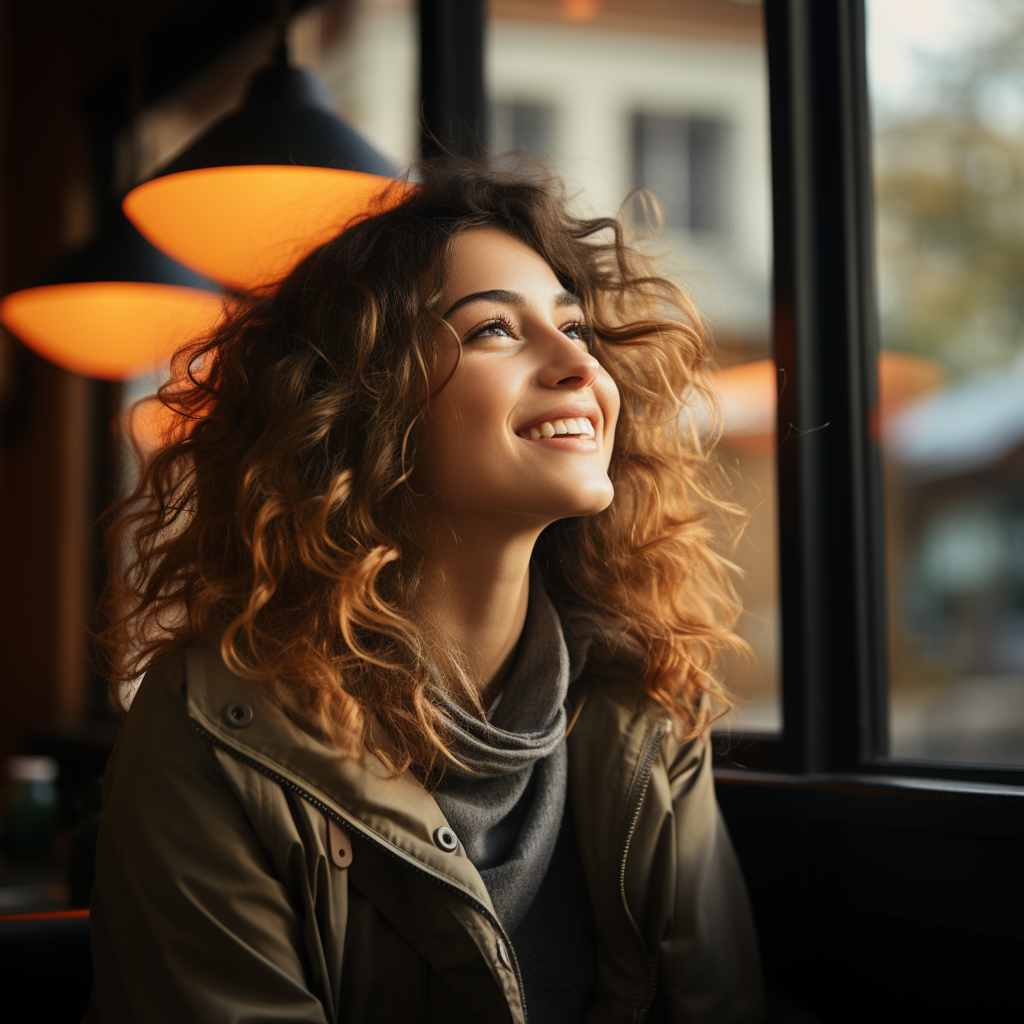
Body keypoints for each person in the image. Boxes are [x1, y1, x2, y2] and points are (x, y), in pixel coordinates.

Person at [88, 158, 765, 1024]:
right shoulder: (209, 727)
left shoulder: (645, 706)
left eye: (577, 329)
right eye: (493, 330)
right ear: (360, 406)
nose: (577, 367)